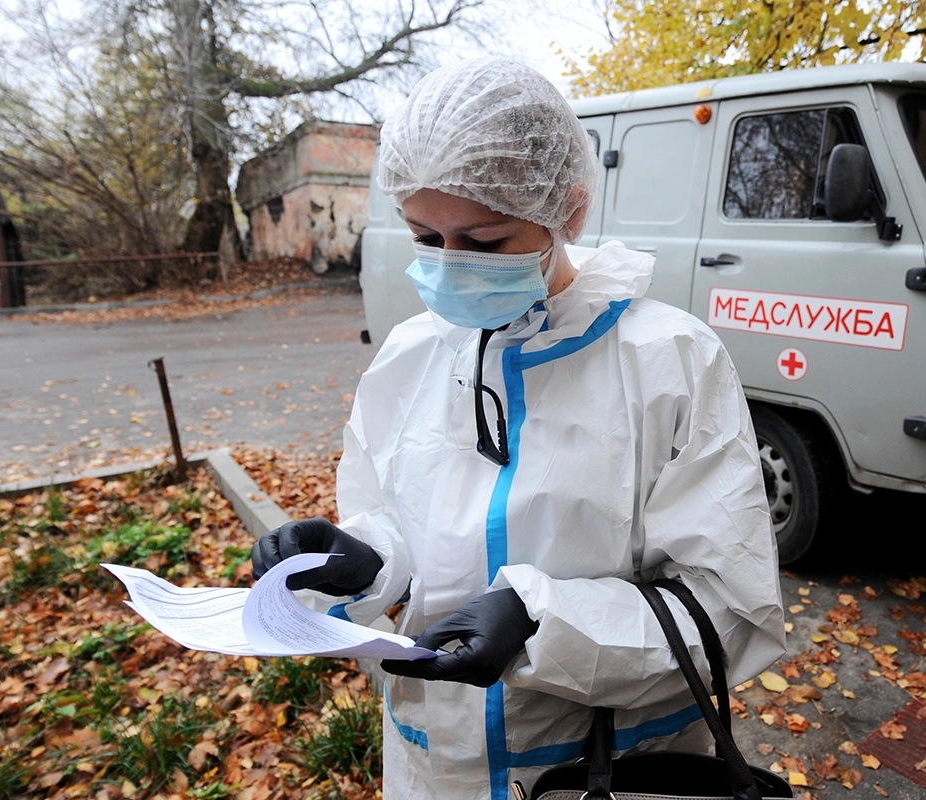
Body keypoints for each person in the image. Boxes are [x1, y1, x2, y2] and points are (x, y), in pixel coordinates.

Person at [251, 57, 785, 800]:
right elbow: (404, 526)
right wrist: (362, 560)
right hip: (433, 772)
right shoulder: (409, 357)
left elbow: (728, 612)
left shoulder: (672, 363)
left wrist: (541, 623)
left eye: (485, 240)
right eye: (424, 237)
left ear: (568, 209)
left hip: (601, 772)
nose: (450, 266)